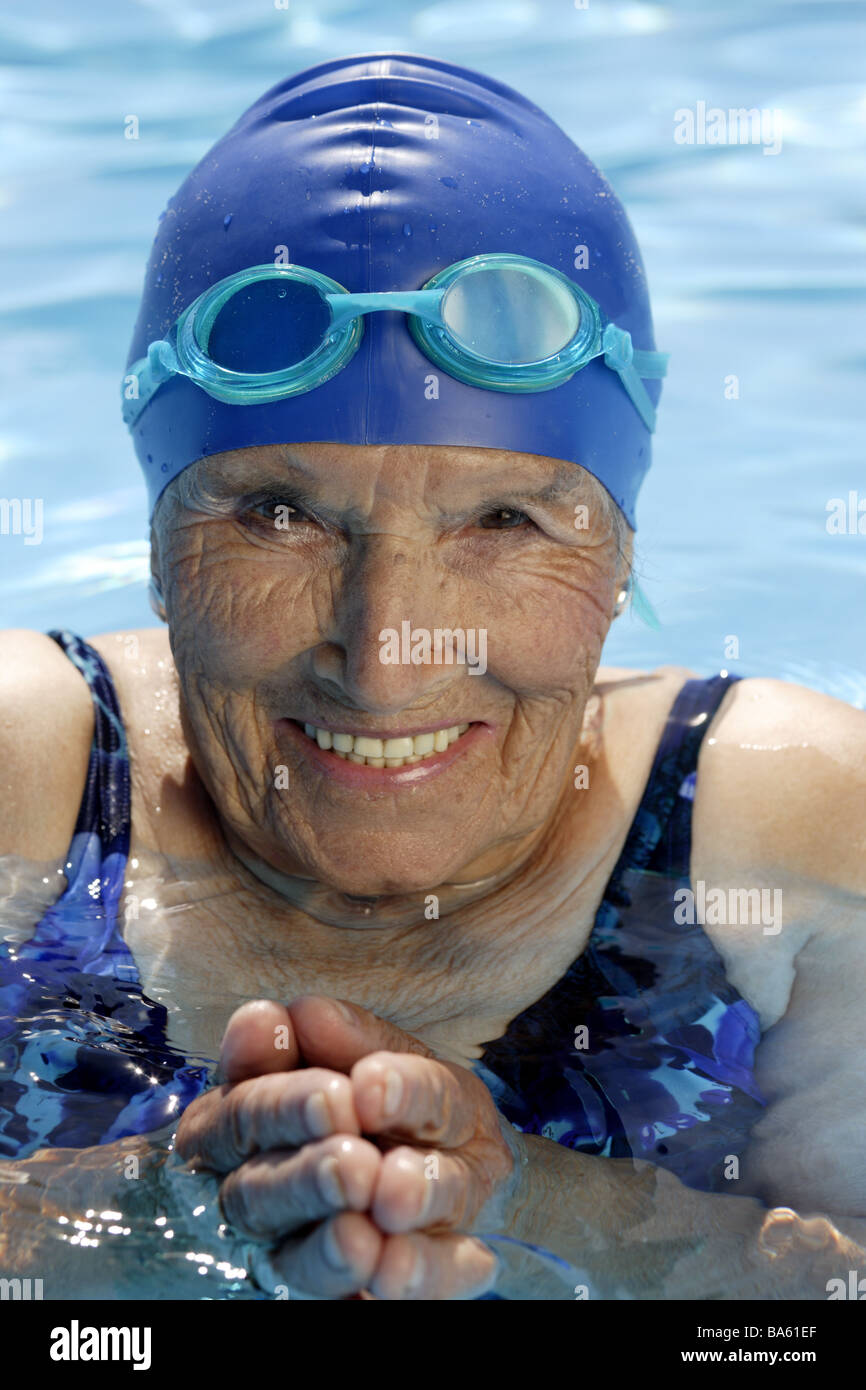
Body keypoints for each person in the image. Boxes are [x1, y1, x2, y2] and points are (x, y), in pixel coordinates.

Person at [1, 53, 864, 1302]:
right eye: (279, 515)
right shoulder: (34, 775)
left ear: (620, 550)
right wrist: (154, 1212)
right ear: (156, 548)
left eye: (504, 521)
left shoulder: (779, 831)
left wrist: (516, 1194)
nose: (387, 646)